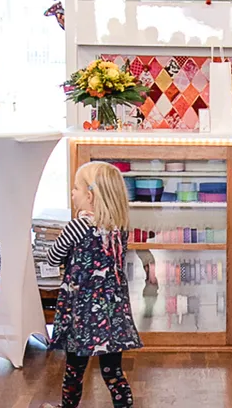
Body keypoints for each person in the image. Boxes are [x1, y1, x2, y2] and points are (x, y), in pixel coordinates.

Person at [41, 161, 143, 408]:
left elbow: (53, 257)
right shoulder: (119, 228)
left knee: (75, 367)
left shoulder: (78, 226)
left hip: (83, 313)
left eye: (75, 188)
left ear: (89, 195)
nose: (72, 193)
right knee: (112, 370)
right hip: (112, 312)